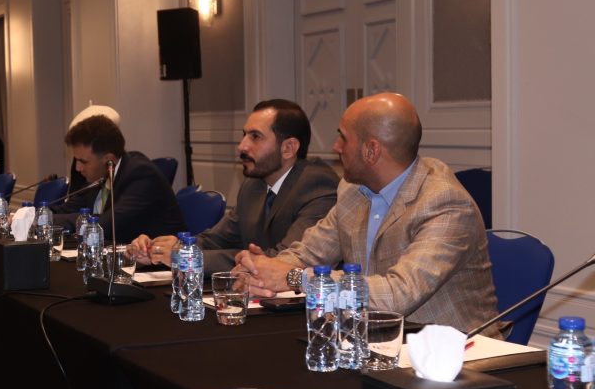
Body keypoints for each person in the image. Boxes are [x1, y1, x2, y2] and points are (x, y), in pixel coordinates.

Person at [233, 92, 499, 336]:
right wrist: (259, 270)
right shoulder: (353, 190)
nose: (335, 147)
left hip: (451, 353)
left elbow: (398, 294)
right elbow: (308, 253)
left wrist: (296, 278)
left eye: (343, 138)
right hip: (371, 339)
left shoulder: (445, 204)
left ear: (371, 150)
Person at [131, 99, 339, 272]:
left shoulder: (317, 185)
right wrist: (167, 248)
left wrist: (185, 257)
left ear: (288, 148)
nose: (242, 146)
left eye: (255, 137)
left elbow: (282, 260)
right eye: (244, 135)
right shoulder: (253, 185)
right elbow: (215, 240)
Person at [51, 114, 187, 243]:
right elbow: (66, 209)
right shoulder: (99, 175)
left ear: (108, 159)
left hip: (161, 257)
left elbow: (106, 224)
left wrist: (48, 220)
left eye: (83, 161)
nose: (78, 168)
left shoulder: (141, 175)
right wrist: (41, 214)